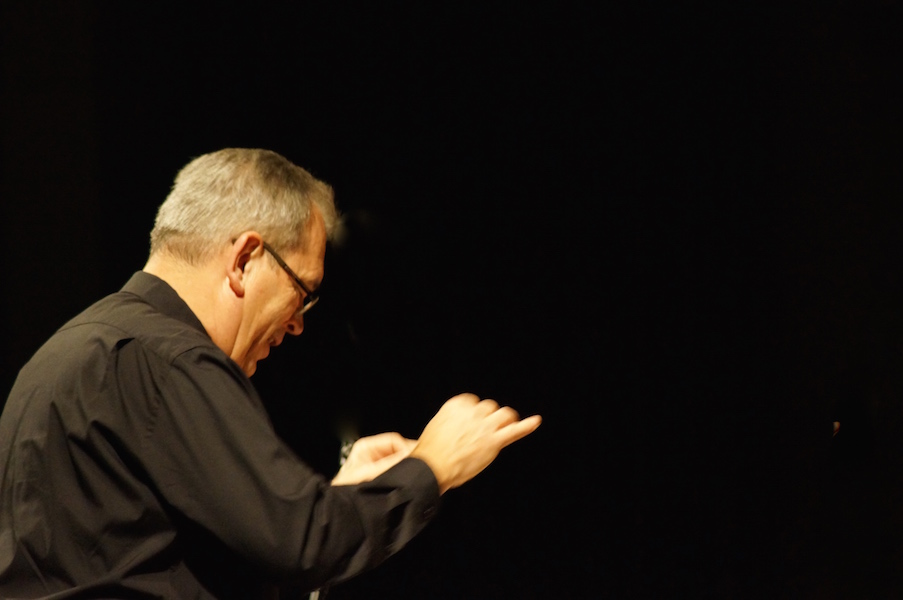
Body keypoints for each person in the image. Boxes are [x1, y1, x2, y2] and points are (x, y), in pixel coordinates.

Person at [0, 148, 542, 599]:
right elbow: (302, 546)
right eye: (302, 292)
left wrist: (342, 497)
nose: (298, 325)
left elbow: (166, 558)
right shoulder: (172, 358)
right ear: (245, 260)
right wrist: (432, 467)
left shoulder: (68, 353)